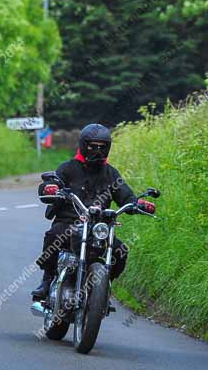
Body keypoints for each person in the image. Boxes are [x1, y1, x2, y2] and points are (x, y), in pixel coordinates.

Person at [32, 123, 137, 300]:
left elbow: (125, 195)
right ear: (83, 145)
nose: (97, 151)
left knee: (120, 251)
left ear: (108, 148)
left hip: (98, 228)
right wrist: (50, 188)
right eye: (92, 146)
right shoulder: (68, 168)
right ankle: (47, 279)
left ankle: (102, 288)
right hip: (69, 222)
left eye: (102, 147)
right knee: (54, 235)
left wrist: (137, 203)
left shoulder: (110, 173)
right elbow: (54, 183)